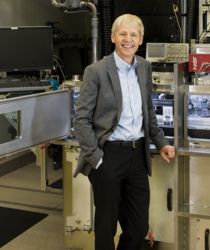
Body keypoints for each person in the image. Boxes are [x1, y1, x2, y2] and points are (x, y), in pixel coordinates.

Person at [73, 14, 175, 250]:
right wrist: (96, 158)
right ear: (113, 37)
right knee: (106, 227)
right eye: (123, 34)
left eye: (133, 35)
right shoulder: (96, 71)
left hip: (137, 156)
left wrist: (161, 143)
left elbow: (147, 111)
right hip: (108, 156)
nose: (128, 39)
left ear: (140, 40)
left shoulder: (144, 67)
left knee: (138, 227)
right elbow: (81, 120)